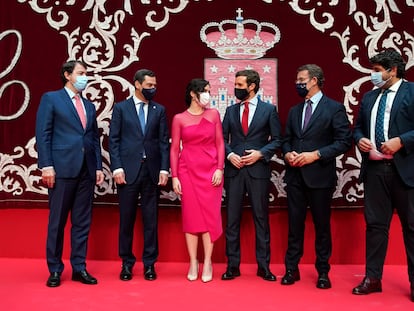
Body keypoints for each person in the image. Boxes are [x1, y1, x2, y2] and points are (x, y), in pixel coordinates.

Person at [281, 64, 352, 289]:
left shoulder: (334, 108)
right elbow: (287, 139)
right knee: (294, 226)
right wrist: (287, 152)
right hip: (295, 177)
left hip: (320, 177)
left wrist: (317, 155)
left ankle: (323, 271)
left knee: (322, 226)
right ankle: (291, 269)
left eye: (301, 79)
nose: (297, 83)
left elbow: (344, 141)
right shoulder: (294, 110)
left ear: (314, 80)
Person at [35, 60, 104, 287]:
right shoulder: (51, 99)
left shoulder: (89, 106)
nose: (86, 76)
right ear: (68, 75)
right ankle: (55, 269)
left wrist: (97, 167)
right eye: (81, 73)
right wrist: (46, 165)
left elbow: (93, 138)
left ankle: (79, 268)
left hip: (86, 170)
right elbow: (43, 134)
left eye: (86, 73)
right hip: (61, 169)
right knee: (57, 222)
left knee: (82, 222)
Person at [352, 49, 414, 301]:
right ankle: (373, 278)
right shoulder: (369, 97)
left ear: (393, 71)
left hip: (406, 171)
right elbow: (357, 129)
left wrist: (402, 141)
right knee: (376, 226)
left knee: (411, 227)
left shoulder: (411, 92)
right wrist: (360, 140)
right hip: (375, 170)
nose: (373, 75)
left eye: (377, 71)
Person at [109, 69, 169, 281]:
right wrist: (117, 168)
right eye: (149, 85)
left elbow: (163, 142)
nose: (153, 88)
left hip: (152, 172)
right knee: (126, 220)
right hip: (127, 172)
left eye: (154, 85)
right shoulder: (121, 108)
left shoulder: (159, 110)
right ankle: (126, 263)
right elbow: (113, 140)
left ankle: (150, 264)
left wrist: (164, 169)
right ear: (137, 84)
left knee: (151, 220)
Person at [221, 69, 281, 281]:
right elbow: (221, 140)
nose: (236, 88)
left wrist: (261, 153)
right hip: (234, 171)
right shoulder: (230, 111)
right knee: (232, 220)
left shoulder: (269, 110)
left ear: (252, 86)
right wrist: (229, 156)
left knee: (261, 219)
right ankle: (232, 266)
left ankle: (263, 267)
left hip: (258, 171)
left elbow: (277, 140)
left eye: (239, 85)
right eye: (235, 85)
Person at [170, 78, 224, 282]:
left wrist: (219, 168)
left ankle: (208, 262)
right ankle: (193, 261)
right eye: (205, 91)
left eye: (209, 91)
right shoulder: (179, 119)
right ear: (193, 94)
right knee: (191, 218)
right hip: (187, 172)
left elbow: (220, 143)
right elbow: (174, 149)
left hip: (211, 172)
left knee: (210, 217)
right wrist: (175, 176)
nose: (208, 95)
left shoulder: (214, 114)